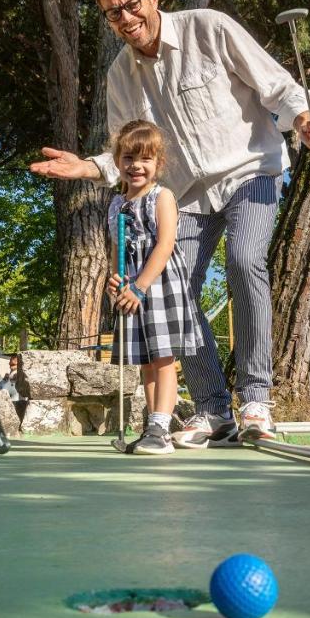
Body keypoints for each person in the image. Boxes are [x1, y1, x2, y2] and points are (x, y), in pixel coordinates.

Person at [29, 0, 310, 448]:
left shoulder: (208, 29)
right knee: (174, 291)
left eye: (131, 5)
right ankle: (214, 410)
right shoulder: (120, 77)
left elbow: (277, 85)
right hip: (185, 194)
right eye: (113, 13)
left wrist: (303, 122)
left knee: (245, 260)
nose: (126, 18)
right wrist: (86, 168)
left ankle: (256, 401)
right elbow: (125, 153)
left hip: (250, 169)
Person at [104, 120, 205, 455]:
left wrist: (141, 286)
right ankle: (154, 426)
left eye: (145, 159)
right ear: (117, 162)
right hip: (132, 287)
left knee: (163, 359)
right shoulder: (116, 205)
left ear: (158, 164)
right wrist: (115, 282)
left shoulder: (162, 197)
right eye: (129, 158)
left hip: (157, 286)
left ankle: (161, 427)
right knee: (146, 360)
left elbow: (164, 245)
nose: (136, 165)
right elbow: (117, 250)